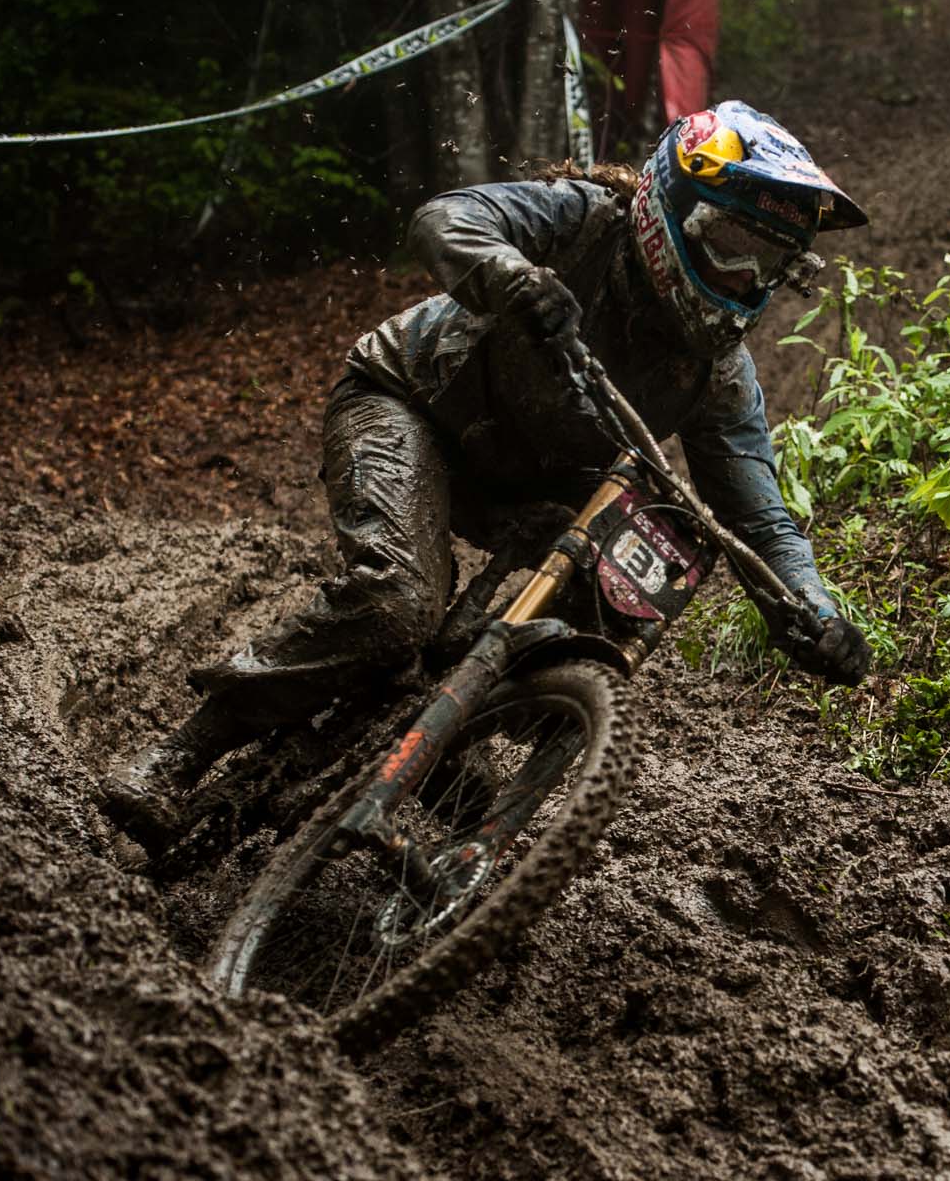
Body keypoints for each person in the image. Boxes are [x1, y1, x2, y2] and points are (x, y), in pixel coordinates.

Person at [101, 100, 872, 848]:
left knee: (605, 615)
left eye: (768, 263)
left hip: (535, 494)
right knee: (396, 605)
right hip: (413, 405)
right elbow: (445, 218)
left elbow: (760, 517)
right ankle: (182, 753)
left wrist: (813, 614)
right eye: (729, 241)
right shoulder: (583, 219)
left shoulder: (719, 373)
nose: (741, 276)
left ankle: (441, 734)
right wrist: (513, 277)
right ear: (669, 207)